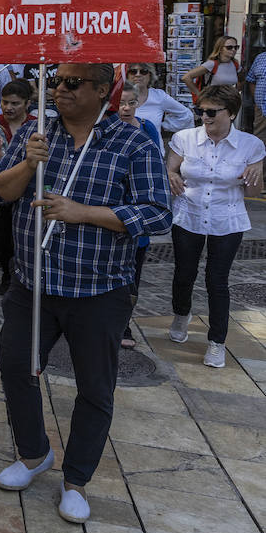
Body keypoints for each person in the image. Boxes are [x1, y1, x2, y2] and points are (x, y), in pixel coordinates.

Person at [0, 63, 171, 525]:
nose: (59, 90)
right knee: (16, 367)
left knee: (94, 388)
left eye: (71, 83)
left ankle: (77, 480)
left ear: (102, 90)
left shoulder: (132, 142)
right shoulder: (35, 131)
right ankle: (34, 455)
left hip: (99, 290)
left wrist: (83, 212)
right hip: (33, 285)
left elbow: (156, 215)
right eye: (54, 81)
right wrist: (29, 163)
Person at [166, 84, 264, 367]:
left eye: (211, 112)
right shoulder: (185, 138)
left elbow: (251, 194)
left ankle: (216, 342)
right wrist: (171, 176)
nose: (204, 117)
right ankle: (181, 315)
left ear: (231, 113)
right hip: (188, 215)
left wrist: (256, 175)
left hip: (227, 218)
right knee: (185, 273)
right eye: (201, 111)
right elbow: (171, 169)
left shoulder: (252, 146)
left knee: (217, 279)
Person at [116, 84, 161, 349]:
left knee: (133, 275)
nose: (126, 108)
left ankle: (124, 324)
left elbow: (154, 167)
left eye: (132, 103)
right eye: (121, 102)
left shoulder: (147, 128)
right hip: (109, 212)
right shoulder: (105, 128)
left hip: (137, 216)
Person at [0, 79, 35, 294]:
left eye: (15, 103)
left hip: (29, 190)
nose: (9, 108)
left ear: (27, 103)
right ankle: (7, 275)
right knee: (4, 238)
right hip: (3, 190)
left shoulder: (37, 124)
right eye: (5, 102)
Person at [128, 63, 192, 136]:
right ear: (127, 75)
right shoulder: (120, 96)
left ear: (150, 75)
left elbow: (186, 115)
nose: (138, 74)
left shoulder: (159, 96)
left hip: (154, 146)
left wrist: (163, 126)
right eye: (133, 71)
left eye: (144, 71)